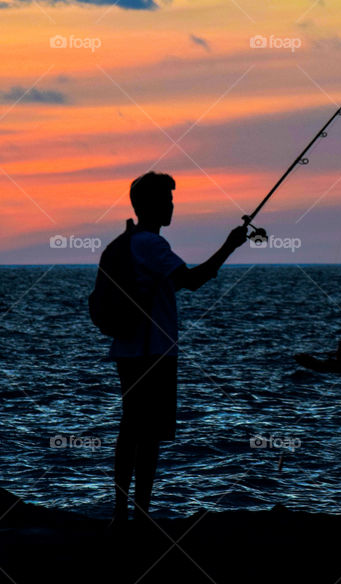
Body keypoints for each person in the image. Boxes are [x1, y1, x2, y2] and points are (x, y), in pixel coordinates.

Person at [108, 171, 248, 528]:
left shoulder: (130, 241)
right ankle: (136, 517)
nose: (173, 205)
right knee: (147, 436)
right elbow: (193, 280)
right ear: (153, 204)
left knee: (131, 431)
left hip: (129, 350)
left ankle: (124, 515)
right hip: (150, 352)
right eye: (168, 199)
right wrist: (230, 245)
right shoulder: (151, 245)